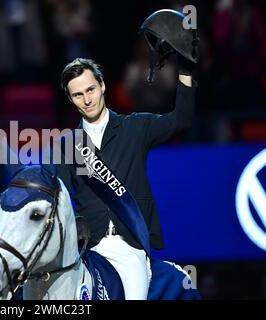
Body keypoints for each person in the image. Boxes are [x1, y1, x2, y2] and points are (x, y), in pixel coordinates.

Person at [55, 54, 196, 300]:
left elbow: (181, 120)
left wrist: (185, 69)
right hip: (88, 249)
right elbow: (62, 200)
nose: (87, 100)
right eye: (78, 95)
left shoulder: (136, 127)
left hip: (130, 246)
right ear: (70, 98)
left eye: (91, 89)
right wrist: (77, 222)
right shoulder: (66, 145)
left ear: (102, 85)